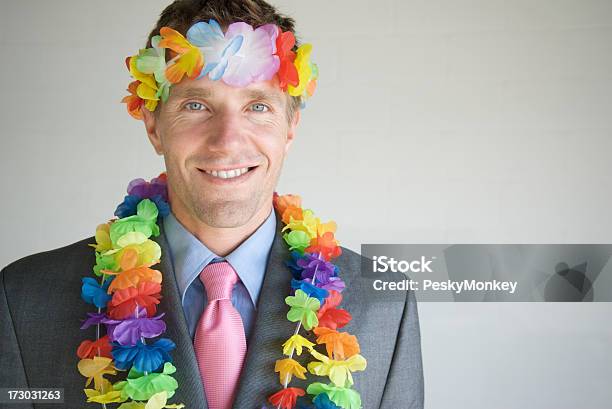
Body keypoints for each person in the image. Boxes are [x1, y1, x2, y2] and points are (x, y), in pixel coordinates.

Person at [0, 1, 424, 408]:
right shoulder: (25, 301)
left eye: (257, 106)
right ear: (154, 125)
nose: (227, 141)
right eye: (196, 105)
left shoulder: (384, 304)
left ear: (290, 126)